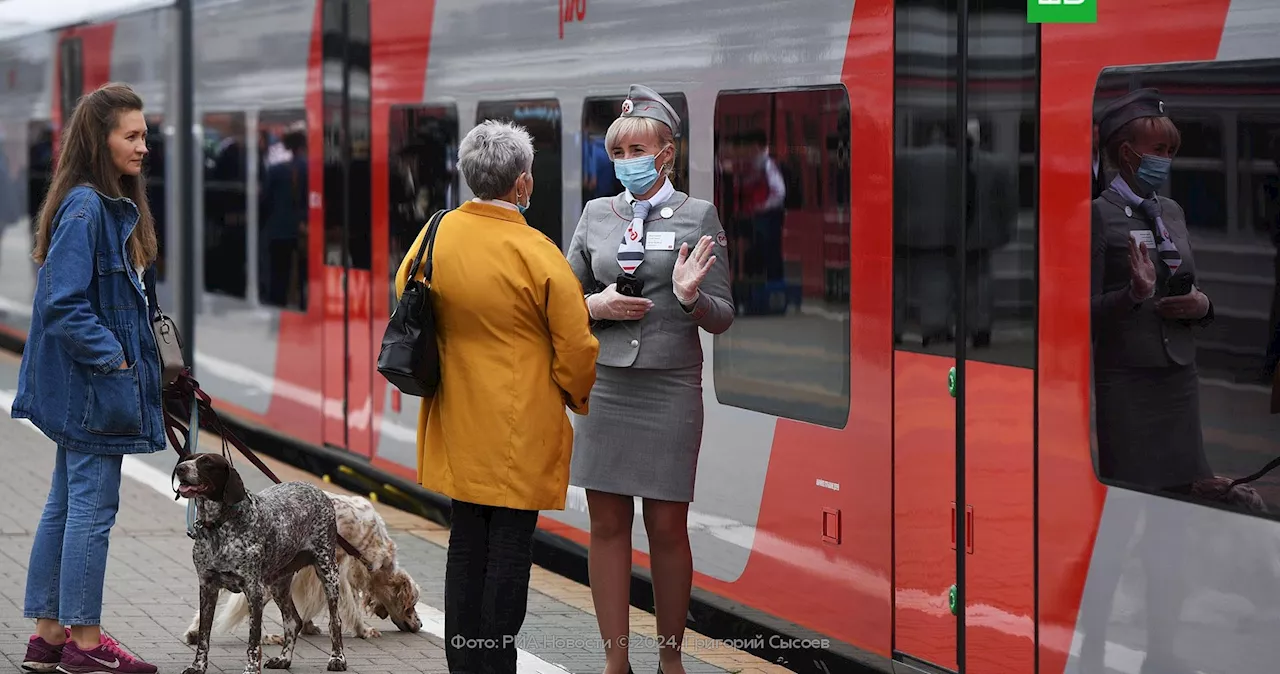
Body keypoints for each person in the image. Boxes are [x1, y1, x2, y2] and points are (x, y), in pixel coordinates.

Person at [393, 119, 599, 674]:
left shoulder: (436, 233)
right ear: (523, 185)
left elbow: (405, 290)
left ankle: (463, 663)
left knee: (466, 543)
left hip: (456, 418)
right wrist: (574, 395)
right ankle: (495, 661)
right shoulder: (537, 252)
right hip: (520, 427)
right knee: (509, 547)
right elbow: (577, 343)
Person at [566, 84, 735, 674]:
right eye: (618, 151)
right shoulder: (595, 215)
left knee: (667, 524)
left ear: (667, 153)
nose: (627, 160)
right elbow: (565, 299)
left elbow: (723, 313)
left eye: (638, 148)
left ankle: (671, 660)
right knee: (606, 522)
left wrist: (691, 300)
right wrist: (597, 306)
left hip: (669, 386)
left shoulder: (698, 216)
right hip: (607, 384)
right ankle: (616, 663)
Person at [11, 82, 163, 674]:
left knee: (65, 504)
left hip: (88, 388)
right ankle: (87, 642)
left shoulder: (97, 204)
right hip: (94, 390)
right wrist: (116, 360)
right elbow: (64, 303)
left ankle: (48, 637)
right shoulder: (87, 207)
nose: (143, 146)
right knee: (91, 511)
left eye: (145, 135)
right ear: (100, 140)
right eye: (132, 135)